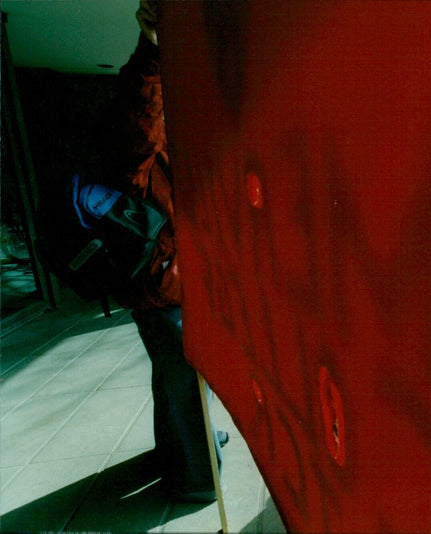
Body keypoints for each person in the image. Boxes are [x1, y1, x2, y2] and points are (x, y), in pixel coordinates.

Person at [101, 0, 226, 502]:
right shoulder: (137, 143)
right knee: (185, 379)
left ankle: (177, 455)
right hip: (162, 283)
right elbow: (141, 109)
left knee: (173, 378)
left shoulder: (156, 148)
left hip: (162, 280)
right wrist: (151, 47)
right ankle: (197, 479)